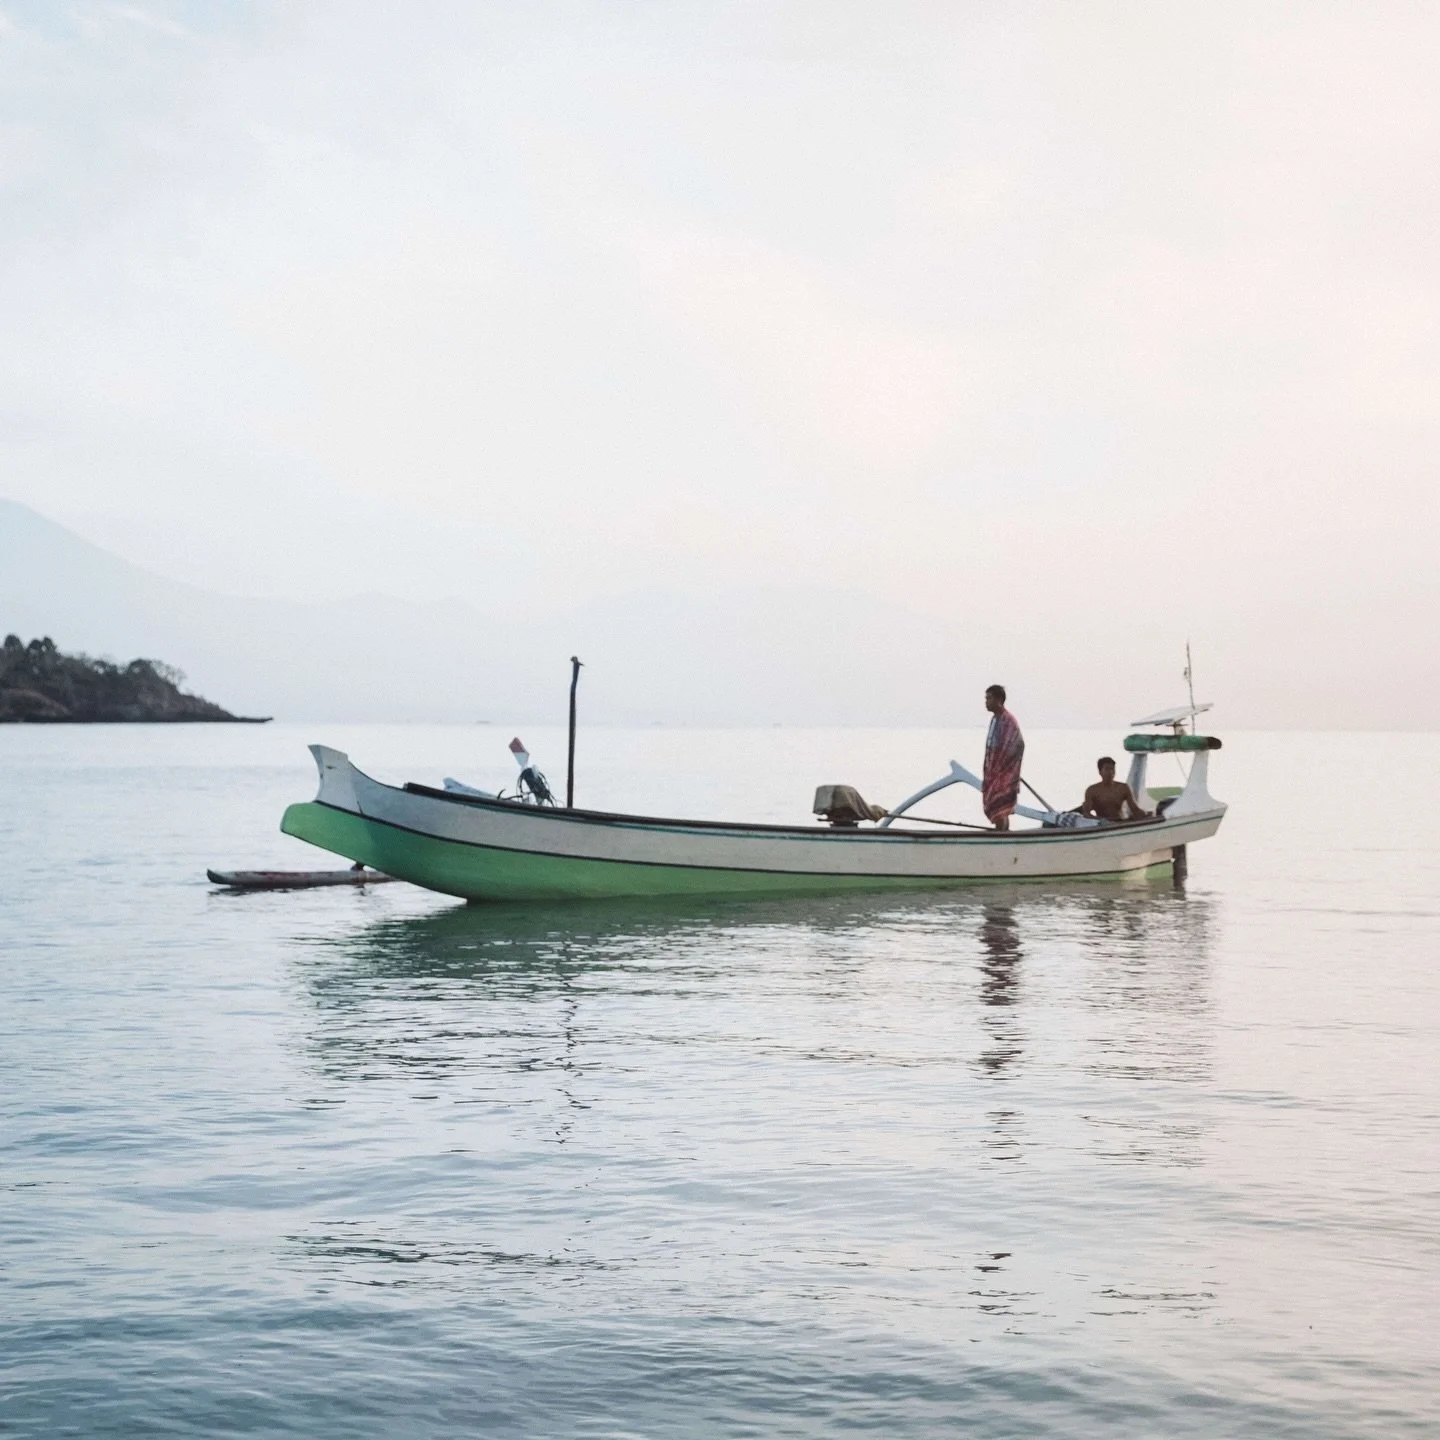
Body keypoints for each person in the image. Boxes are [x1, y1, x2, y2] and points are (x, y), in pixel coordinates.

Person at [982, 684, 1024, 831]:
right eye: (986, 698)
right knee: (996, 805)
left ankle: (1002, 835)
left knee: (1001, 806)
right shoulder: (995, 720)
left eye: (989, 698)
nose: (986, 702)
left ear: (999, 699)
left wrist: (1004, 767)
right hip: (994, 772)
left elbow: (1018, 744)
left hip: (1005, 773)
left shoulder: (1008, 720)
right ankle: (1001, 832)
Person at [1076, 756, 1151, 823]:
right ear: (1100, 772)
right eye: (1107, 769)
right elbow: (1087, 814)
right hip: (1102, 825)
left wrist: (1146, 814)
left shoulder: (1123, 788)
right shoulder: (1092, 790)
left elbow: (1134, 809)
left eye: (1112, 769)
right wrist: (1102, 821)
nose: (1110, 772)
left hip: (1120, 823)